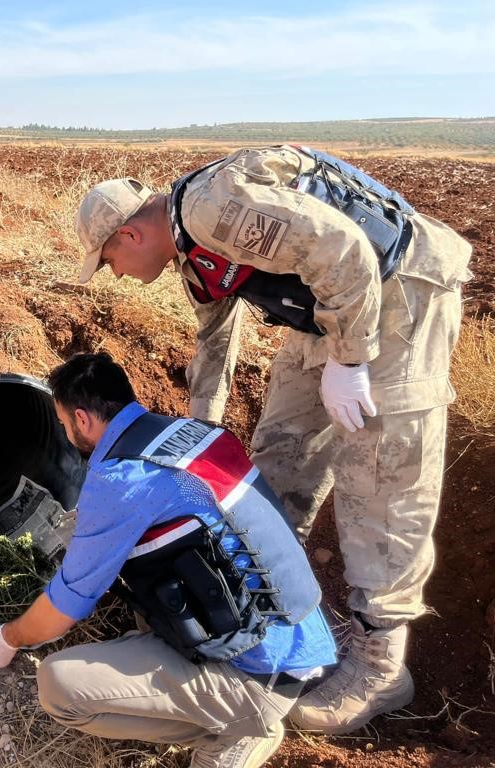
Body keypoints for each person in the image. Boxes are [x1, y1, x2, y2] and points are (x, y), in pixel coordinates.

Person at [71, 145, 473, 734]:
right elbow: (214, 341)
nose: (121, 277)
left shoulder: (213, 209)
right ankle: (275, 608)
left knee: (381, 479)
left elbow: (345, 249)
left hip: (395, 296)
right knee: (279, 453)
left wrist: (352, 360)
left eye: (109, 262)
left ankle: (379, 665)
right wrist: (198, 434)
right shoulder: (191, 252)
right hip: (328, 306)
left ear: (130, 236)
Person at [0, 353, 336, 768]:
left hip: (257, 673)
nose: (63, 431)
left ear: (82, 418)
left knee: (58, 686)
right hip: (301, 637)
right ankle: (231, 704)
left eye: (62, 423)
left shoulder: (119, 478)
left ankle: (232, 732)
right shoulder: (197, 433)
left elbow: (63, 609)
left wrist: (7, 639)